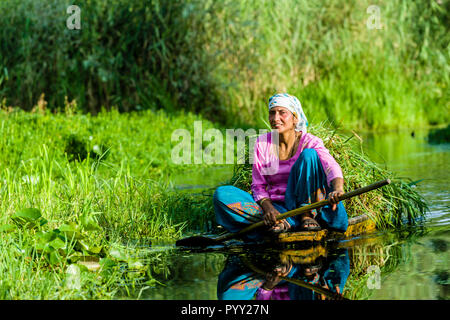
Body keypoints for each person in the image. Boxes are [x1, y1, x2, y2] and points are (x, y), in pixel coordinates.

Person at [214, 93, 348, 239]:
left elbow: (331, 166)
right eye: (272, 113)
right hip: (277, 206)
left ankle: (305, 215)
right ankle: (281, 219)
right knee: (222, 195)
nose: (275, 118)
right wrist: (269, 209)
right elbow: (258, 186)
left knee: (309, 155)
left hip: (309, 204)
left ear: (295, 118)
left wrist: (337, 189)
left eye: (282, 112)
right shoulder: (261, 143)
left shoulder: (309, 141)